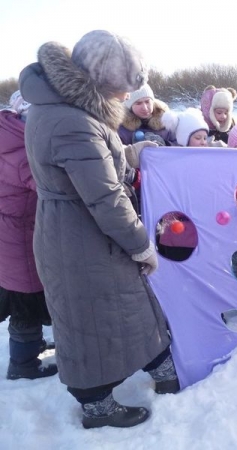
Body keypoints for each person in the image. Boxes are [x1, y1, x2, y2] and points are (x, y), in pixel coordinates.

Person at [19, 29, 179, 429]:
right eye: (121, 89)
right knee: (88, 318)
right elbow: (104, 196)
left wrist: (132, 153)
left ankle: (160, 366)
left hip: (80, 230)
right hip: (80, 236)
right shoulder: (72, 121)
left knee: (128, 305)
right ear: (100, 82)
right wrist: (141, 244)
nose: (127, 97)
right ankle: (95, 404)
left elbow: (95, 164)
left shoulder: (66, 108)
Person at [0, 91, 57, 381]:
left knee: (24, 296)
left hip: (12, 234)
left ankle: (30, 345)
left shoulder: (8, 134)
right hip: (19, 239)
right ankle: (23, 364)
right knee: (26, 301)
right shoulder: (22, 150)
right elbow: (48, 184)